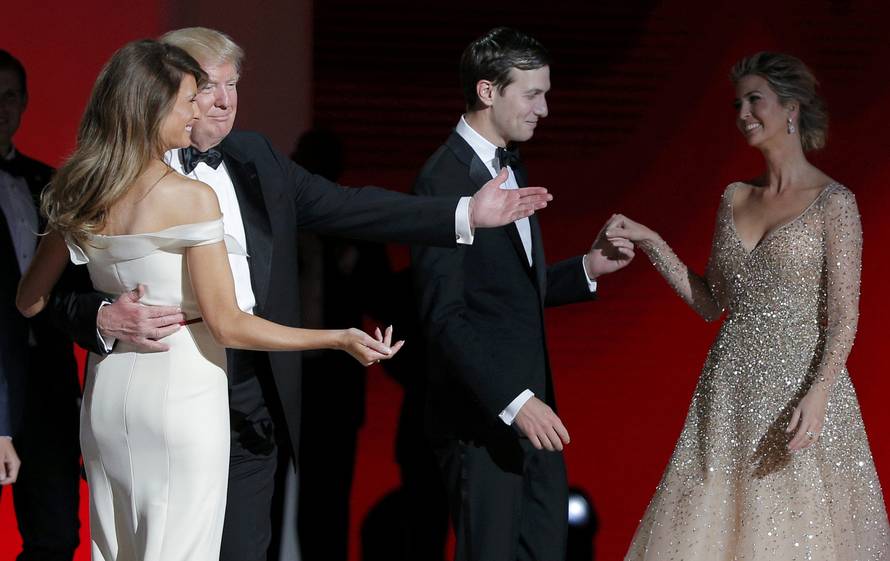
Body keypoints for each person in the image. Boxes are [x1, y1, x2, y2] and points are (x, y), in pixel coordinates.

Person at [44, 27, 553, 561]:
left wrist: (465, 212)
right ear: (167, 91)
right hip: (158, 390)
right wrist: (103, 317)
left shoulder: (254, 156)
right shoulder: (109, 174)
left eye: (233, 85)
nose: (224, 102)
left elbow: (345, 205)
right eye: (206, 87)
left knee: (242, 548)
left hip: (250, 388)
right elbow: (47, 296)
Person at [15, 39, 412, 561]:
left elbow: (28, 300)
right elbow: (227, 325)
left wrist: (106, 316)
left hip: (108, 398)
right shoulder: (189, 197)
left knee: (115, 549)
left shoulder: (76, 186)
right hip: (184, 394)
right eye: (188, 100)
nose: (198, 110)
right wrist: (336, 336)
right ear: (152, 107)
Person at [606, 52, 890, 560]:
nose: (742, 114)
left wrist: (819, 394)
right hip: (729, 390)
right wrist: (653, 243)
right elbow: (711, 303)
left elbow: (845, 315)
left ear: (791, 108)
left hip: (800, 392)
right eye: (737, 104)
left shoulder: (834, 203)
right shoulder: (734, 197)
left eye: (754, 100)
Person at [410, 27, 634, 561]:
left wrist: (585, 268)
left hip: (533, 412)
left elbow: (504, 291)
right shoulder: (442, 181)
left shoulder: (511, 165)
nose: (545, 109)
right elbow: (444, 317)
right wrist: (514, 402)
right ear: (488, 92)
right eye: (532, 94)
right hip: (482, 419)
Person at [0, 49, 83, 561]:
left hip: (48, 382)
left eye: (9, 95)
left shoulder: (48, 184)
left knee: (56, 533)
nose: (0, 107)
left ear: (25, 102)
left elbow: (72, 281)